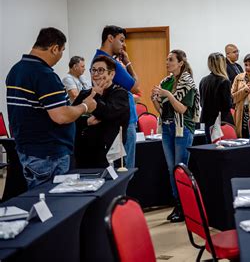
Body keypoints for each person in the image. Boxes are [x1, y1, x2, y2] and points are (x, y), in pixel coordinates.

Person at [6, 27, 97, 189]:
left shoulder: (16, 70)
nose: (61, 57)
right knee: (54, 204)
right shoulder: (44, 75)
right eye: (61, 51)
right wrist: (85, 106)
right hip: (48, 154)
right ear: (54, 48)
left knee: (39, 199)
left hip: (28, 149)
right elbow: (61, 116)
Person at [151, 49, 200, 223]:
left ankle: (186, 206)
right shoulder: (166, 81)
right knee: (172, 169)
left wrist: (169, 96)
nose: (167, 62)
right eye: (166, 59)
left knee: (181, 169)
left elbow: (182, 109)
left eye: (171, 60)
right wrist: (155, 100)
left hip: (183, 129)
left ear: (180, 63)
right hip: (167, 127)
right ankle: (178, 204)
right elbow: (162, 111)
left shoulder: (188, 82)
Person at [93, 25, 140, 169]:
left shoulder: (99, 59)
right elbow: (135, 86)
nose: (124, 45)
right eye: (121, 40)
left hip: (116, 119)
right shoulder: (110, 63)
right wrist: (128, 63)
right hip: (122, 122)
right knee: (125, 170)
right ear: (110, 38)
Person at [74, 56, 130, 168]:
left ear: (111, 74)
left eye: (101, 70)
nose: (96, 74)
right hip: (84, 154)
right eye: (93, 70)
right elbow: (72, 117)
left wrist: (97, 96)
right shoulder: (84, 94)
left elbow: (108, 114)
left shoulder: (120, 94)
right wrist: (87, 122)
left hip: (109, 156)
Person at [199, 53, 234, 143]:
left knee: (210, 149)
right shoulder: (224, 81)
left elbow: (202, 103)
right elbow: (227, 105)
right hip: (222, 122)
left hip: (208, 120)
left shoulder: (203, 80)